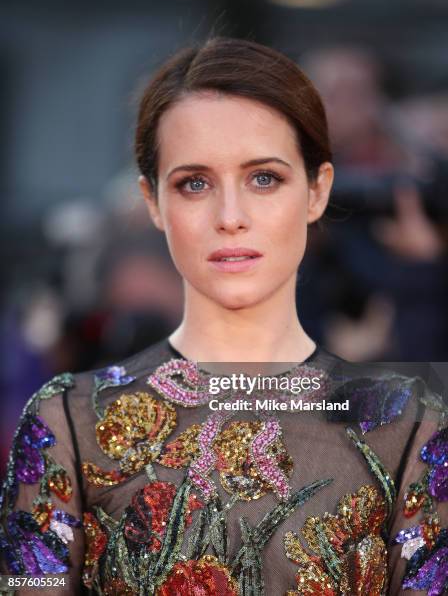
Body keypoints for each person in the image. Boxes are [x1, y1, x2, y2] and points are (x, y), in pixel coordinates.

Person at [1, 37, 447, 595]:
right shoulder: (68, 422)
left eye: (264, 178)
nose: (230, 217)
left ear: (316, 191)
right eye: (194, 183)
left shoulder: (409, 426)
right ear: (152, 202)